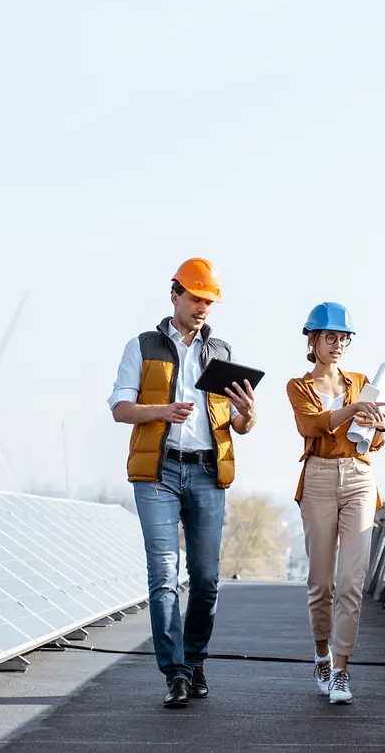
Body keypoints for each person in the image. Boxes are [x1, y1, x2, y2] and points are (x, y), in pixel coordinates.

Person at [108, 258, 259, 708]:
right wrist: (162, 411)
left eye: (209, 301)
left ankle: (194, 661)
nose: (203, 308)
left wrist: (249, 415)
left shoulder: (222, 352)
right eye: (196, 298)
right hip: (158, 473)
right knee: (164, 575)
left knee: (207, 579)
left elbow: (236, 424)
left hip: (208, 472)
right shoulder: (142, 346)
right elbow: (119, 408)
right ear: (174, 295)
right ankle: (174, 673)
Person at [285, 302, 385, 705]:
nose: (338, 344)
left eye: (344, 338)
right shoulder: (299, 386)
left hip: (359, 477)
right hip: (319, 479)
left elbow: (376, 441)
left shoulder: (361, 382)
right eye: (330, 337)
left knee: (351, 581)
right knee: (322, 583)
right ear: (313, 340)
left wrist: (379, 424)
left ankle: (342, 670)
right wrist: (352, 410)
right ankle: (322, 655)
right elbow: (310, 425)